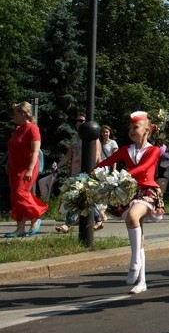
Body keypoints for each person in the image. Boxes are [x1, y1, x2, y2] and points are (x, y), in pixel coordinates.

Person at [95, 111, 165, 294]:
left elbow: (144, 167)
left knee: (133, 215)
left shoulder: (154, 150)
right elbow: (106, 162)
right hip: (131, 191)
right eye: (130, 129)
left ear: (147, 130)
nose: (131, 131)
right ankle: (142, 281)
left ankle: (134, 261)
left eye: (135, 128)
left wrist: (122, 175)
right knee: (136, 228)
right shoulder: (126, 150)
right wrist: (92, 174)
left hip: (148, 190)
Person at [4, 102, 48, 238]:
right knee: (15, 197)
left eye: (15, 113)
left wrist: (29, 169)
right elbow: (12, 150)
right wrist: (7, 163)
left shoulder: (32, 129)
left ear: (23, 113)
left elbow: (35, 152)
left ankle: (36, 217)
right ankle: (20, 229)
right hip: (13, 168)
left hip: (27, 167)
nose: (13, 117)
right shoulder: (17, 130)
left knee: (20, 193)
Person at [55, 113, 103, 233]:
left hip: (87, 172)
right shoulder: (75, 138)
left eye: (81, 121)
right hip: (76, 172)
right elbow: (68, 156)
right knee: (85, 198)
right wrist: (57, 166)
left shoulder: (93, 137)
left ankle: (68, 224)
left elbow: (96, 156)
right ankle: (99, 219)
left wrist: (92, 173)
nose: (78, 123)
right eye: (76, 121)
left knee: (75, 195)